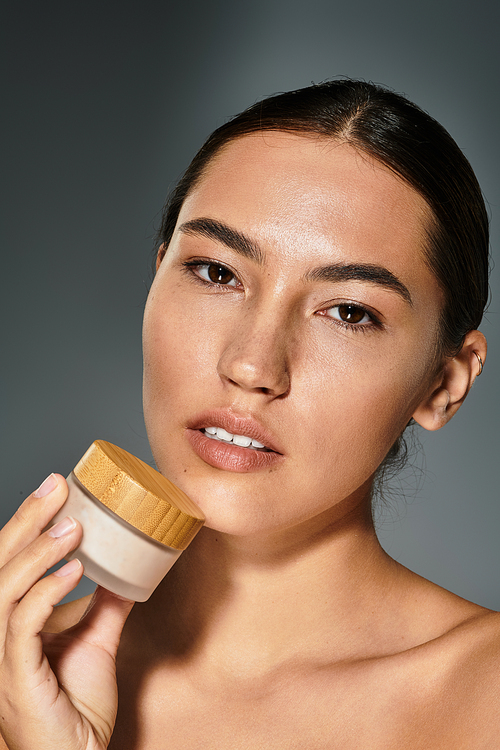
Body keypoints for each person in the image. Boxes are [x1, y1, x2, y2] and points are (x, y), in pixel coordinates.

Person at [0, 79, 497, 749]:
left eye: (349, 312)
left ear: (443, 383)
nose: (253, 366)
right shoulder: (21, 682)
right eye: (216, 272)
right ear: (157, 279)